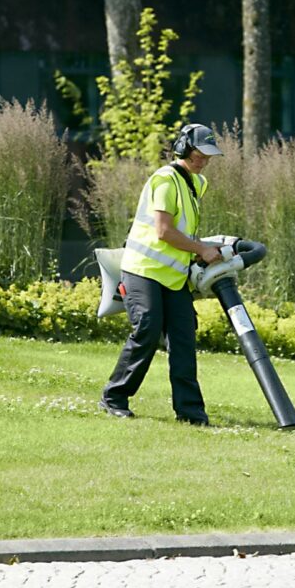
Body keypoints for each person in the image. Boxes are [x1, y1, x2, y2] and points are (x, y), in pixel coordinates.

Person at [99, 123, 224, 424]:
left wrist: (205, 246)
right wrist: (200, 249)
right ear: (183, 148)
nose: (203, 160)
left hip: (172, 276)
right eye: (199, 154)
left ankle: (191, 413)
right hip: (143, 271)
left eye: (208, 156)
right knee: (148, 327)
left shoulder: (196, 184)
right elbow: (164, 231)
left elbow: (182, 230)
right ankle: (113, 397)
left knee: (183, 338)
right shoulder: (166, 180)